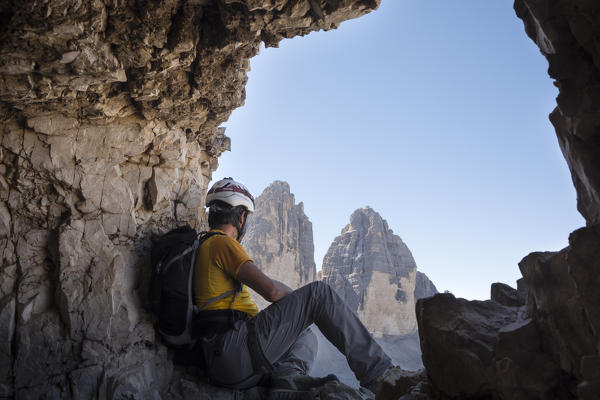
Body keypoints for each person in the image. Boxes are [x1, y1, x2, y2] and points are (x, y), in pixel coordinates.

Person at [193, 177, 395, 396]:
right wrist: (299, 300)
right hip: (233, 352)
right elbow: (271, 290)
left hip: (225, 357)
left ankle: (285, 382)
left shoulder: (205, 244)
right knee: (319, 294)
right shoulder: (222, 243)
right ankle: (381, 375)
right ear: (241, 216)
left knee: (306, 336)